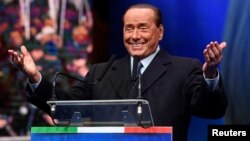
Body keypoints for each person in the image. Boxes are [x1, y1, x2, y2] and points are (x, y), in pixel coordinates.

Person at [8, 3, 227, 141]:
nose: (135, 35)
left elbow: (212, 109)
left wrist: (210, 75)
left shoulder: (185, 69)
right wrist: (35, 77)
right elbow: (64, 108)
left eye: (143, 27)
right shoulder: (100, 73)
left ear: (160, 32)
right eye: (129, 28)